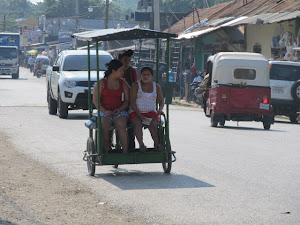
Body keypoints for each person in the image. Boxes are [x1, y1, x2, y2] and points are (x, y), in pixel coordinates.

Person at [93, 60, 130, 154]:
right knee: (104, 125)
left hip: (119, 111)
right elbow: (96, 101)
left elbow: (127, 100)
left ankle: (125, 151)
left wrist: (120, 109)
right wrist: (105, 111)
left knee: (121, 125)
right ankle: (106, 149)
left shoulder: (123, 83)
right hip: (104, 111)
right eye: (120, 70)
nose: (122, 72)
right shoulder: (101, 83)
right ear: (113, 71)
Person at [130, 67, 164, 152]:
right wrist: (140, 116)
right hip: (136, 112)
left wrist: (160, 109)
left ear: (152, 76)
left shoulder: (156, 86)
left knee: (153, 124)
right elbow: (132, 102)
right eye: (143, 74)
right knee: (137, 123)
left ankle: (157, 144)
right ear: (140, 75)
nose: (145, 76)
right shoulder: (136, 85)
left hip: (151, 113)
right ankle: (141, 145)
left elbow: (161, 101)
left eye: (148, 74)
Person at [118, 49, 138, 149]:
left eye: (129, 60)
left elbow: (135, 86)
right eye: (125, 60)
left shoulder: (132, 71)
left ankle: (131, 143)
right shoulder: (115, 71)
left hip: (129, 102)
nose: (127, 62)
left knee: (133, 120)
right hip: (116, 103)